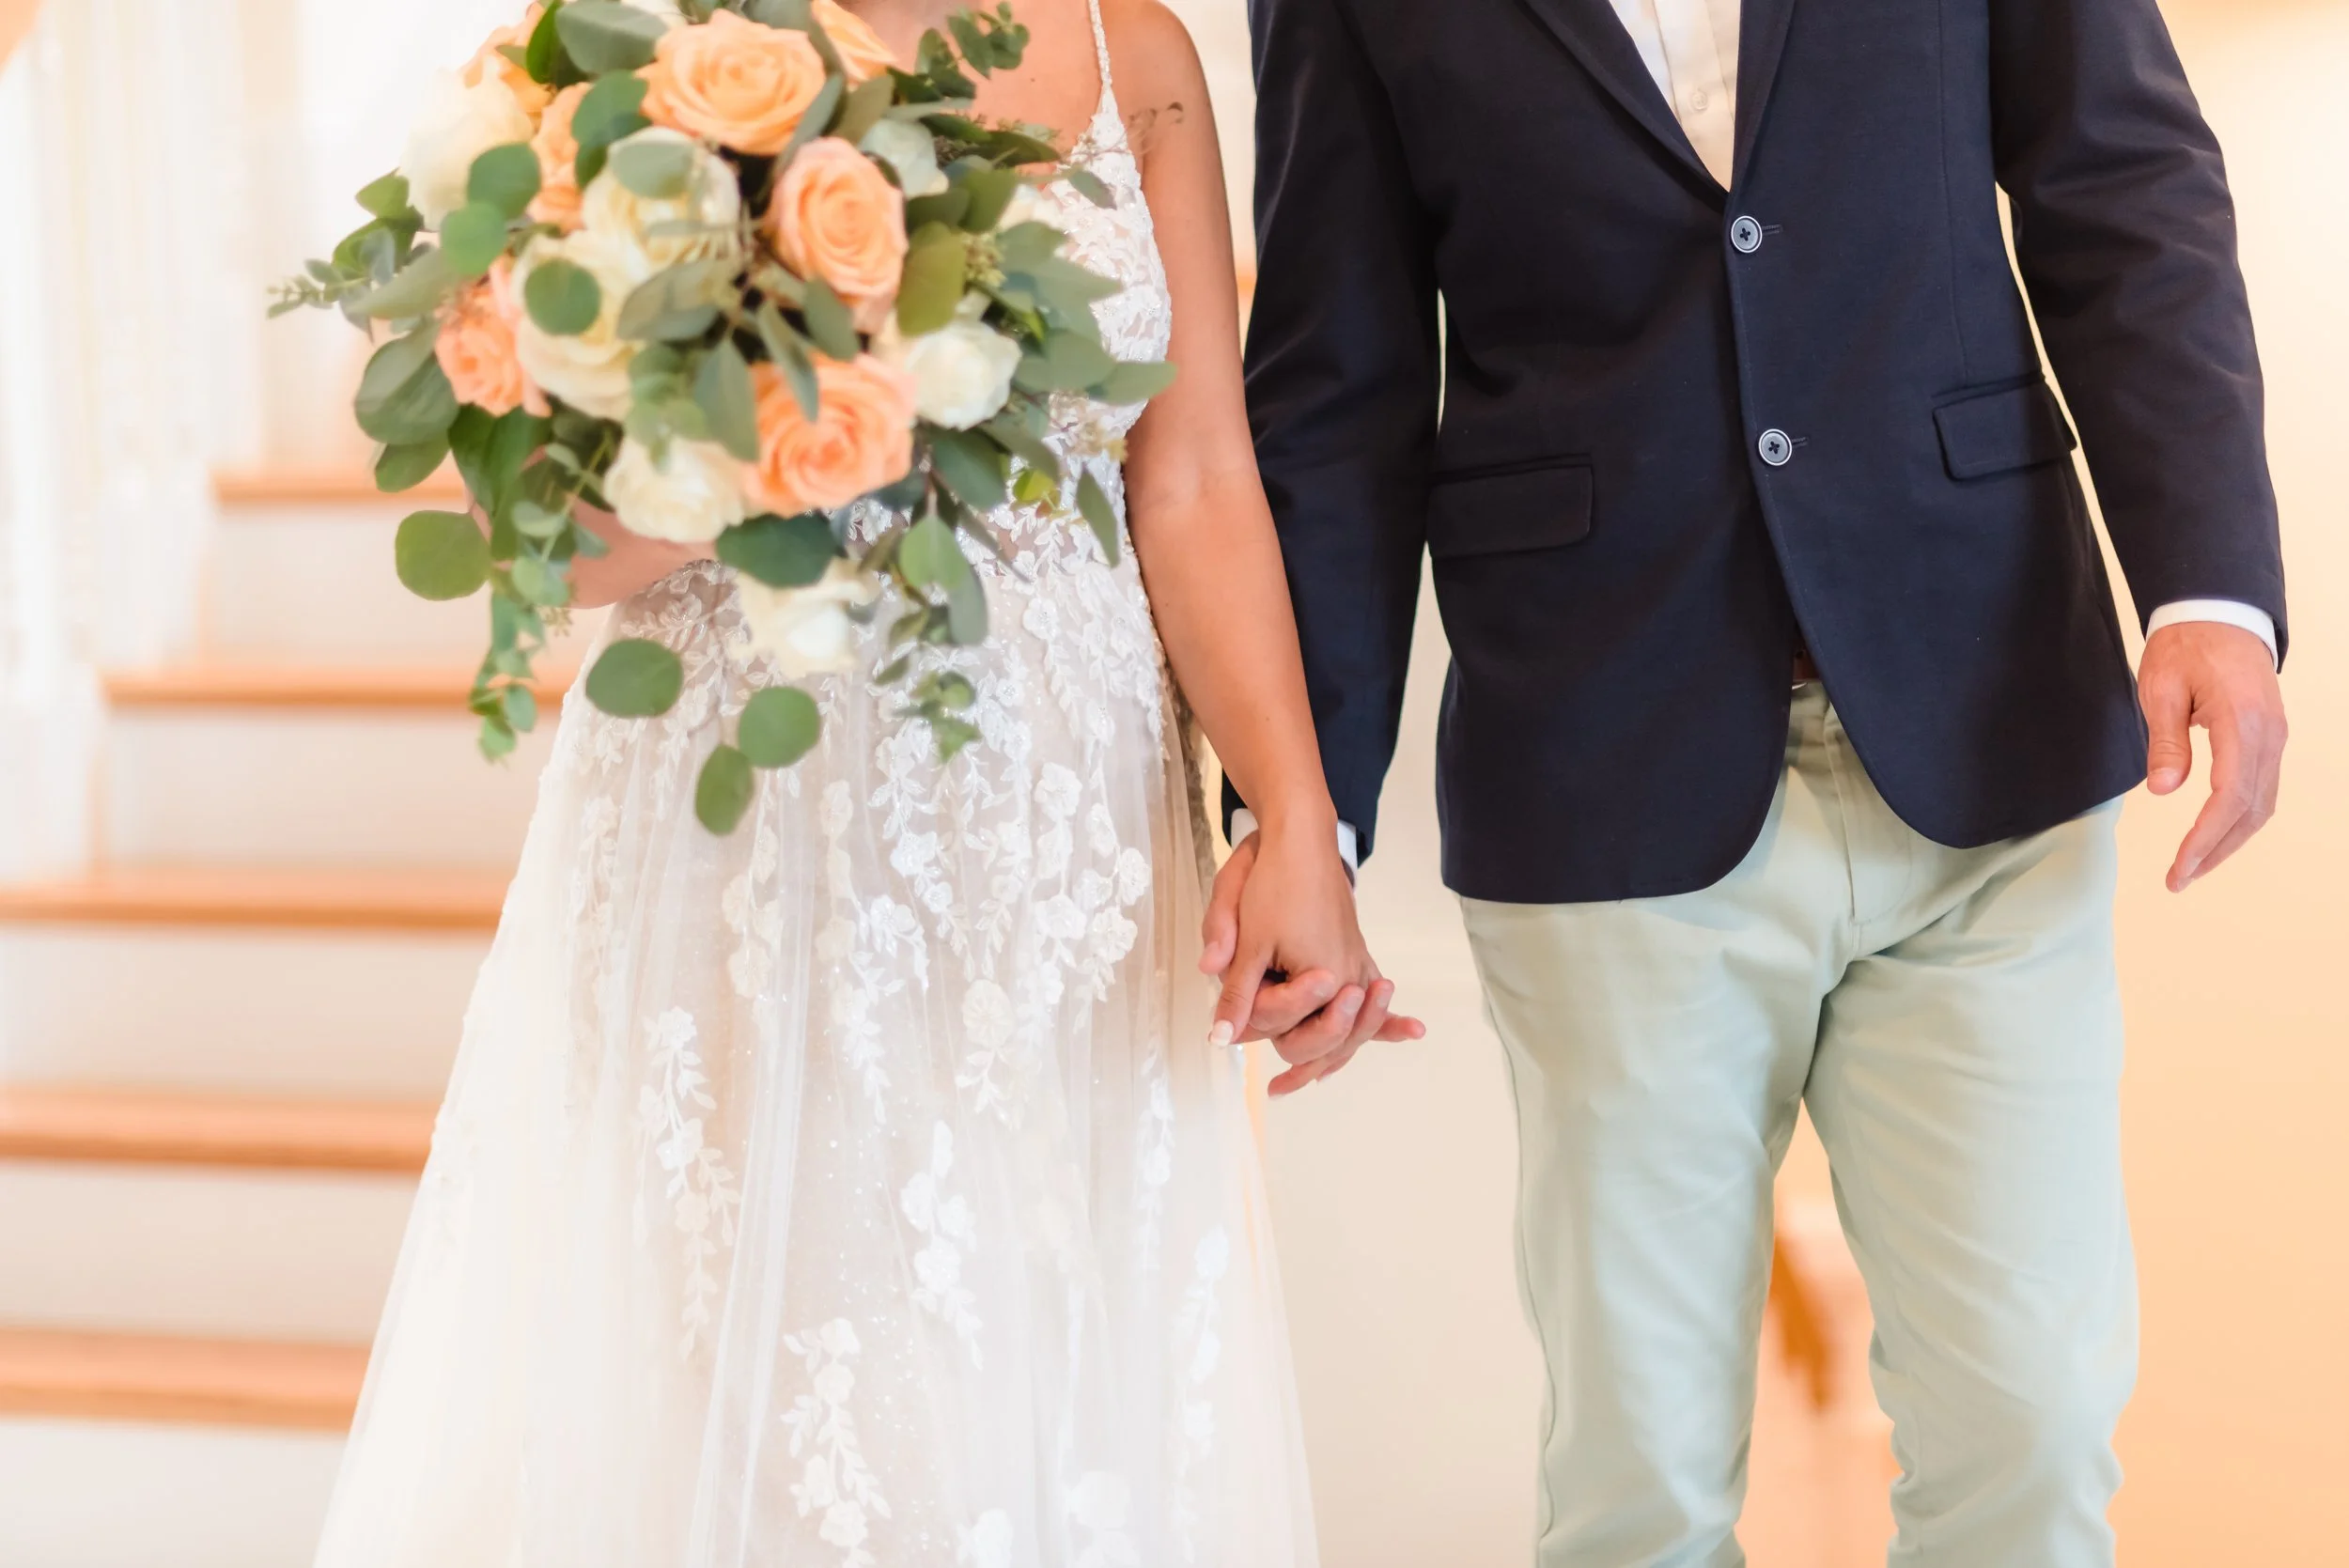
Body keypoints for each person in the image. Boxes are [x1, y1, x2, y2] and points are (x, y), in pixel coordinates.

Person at [314, 3, 1416, 1562]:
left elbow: (1191, 474)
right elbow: (546, 544)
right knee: (825, 1446)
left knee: (1058, 1410)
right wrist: (798, 433)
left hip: (1072, 857)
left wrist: (1298, 815)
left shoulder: (1135, 51)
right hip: (772, 844)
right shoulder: (634, 53)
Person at [1228, 0, 2289, 1560]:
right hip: (1603, 758)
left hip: (1981, 719)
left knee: (2035, 1423)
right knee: (1639, 1482)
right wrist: (1303, 815)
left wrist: (2208, 587)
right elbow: (1340, 374)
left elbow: (2121, 178)